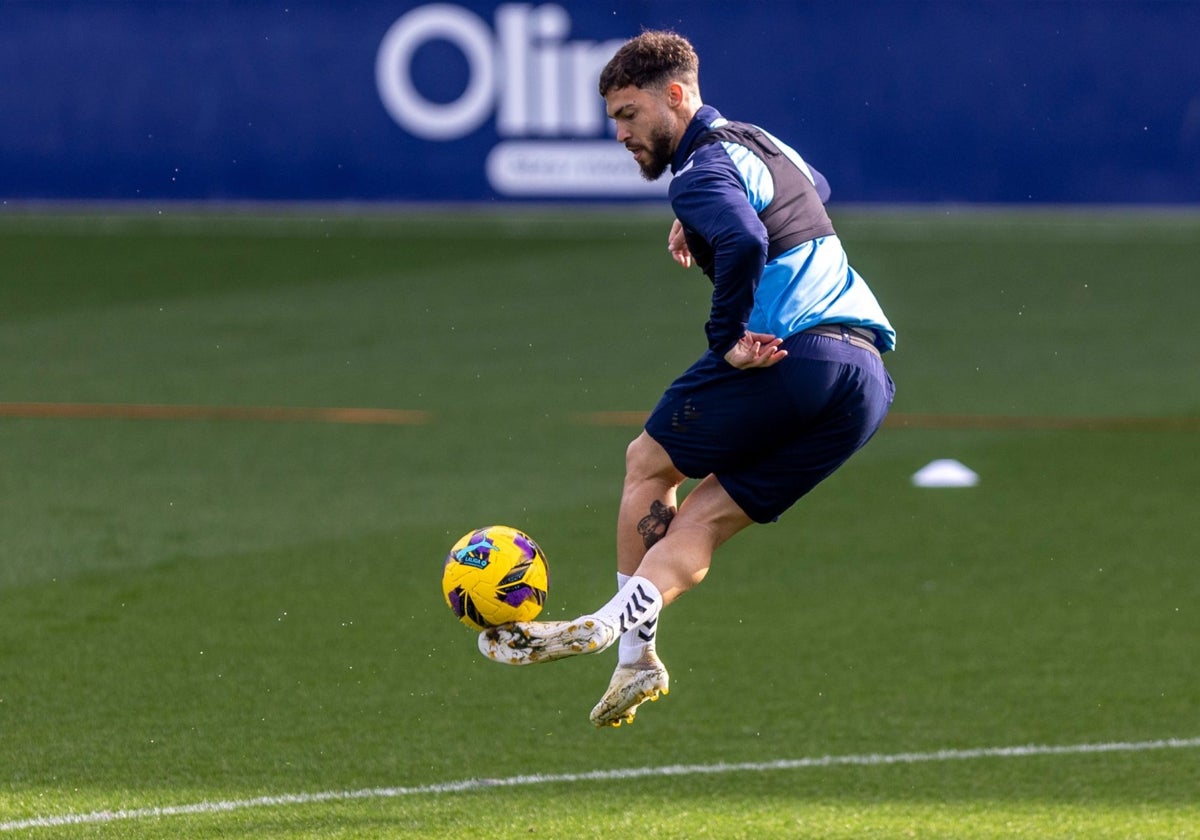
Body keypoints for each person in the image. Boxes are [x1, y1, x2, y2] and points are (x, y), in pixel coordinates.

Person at [479, 30, 896, 728]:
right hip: (865, 383)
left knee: (647, 463)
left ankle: (628, 647)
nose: (619, 133)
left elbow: (745, 239)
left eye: (628, 114)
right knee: (701, 518)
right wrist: (698, 225)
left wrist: (727, 337)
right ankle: (627, 641)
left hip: (795, 355)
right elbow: (811, 190)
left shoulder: (701, 170)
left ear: (675, 96)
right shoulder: (757, 141)